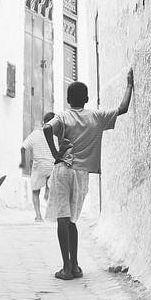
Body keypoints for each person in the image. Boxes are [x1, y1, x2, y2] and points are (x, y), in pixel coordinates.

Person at [43, 70, 134, 280]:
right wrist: (129, 84)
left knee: (62, 220)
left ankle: (66, 267)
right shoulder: (96, 116)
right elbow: (122, 108)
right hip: (82, 173)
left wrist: (56, 153)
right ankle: (75, 265)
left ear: (68, 99)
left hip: (64, 169)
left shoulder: (63, 116)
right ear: (86, 99)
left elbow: (47, 128)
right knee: (72, 220)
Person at [20, 112, 56, 221]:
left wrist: (23, 162)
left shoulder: (36, 134)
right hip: (52, 165)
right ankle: (47, 189)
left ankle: (39, 216)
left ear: (43, 122)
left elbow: (23, 147)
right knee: (53, 188)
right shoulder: (56, 135)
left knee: (35, 191)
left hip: (39, 165)